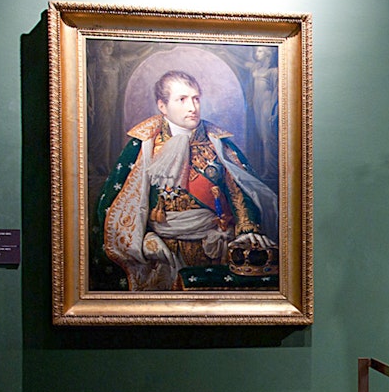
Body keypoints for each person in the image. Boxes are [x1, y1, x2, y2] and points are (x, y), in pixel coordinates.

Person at [97, 70, 278, 291]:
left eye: (196, 98)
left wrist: (246, 230)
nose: (192, 107)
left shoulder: (218, 144)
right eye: (182, 99)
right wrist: (142, 240)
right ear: (162, 106)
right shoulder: (143, 145)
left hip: (212, 250)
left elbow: (240, 193)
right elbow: (121, 204)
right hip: (161, 254)